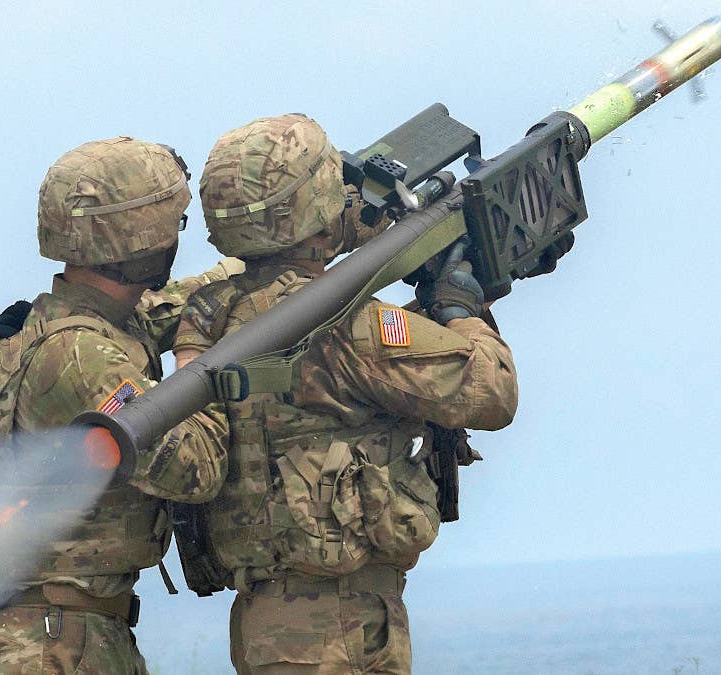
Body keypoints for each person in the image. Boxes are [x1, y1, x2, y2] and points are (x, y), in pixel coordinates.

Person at [172, 114, 520, 674]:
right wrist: (461, 308)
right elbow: (491, 390)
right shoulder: (344, 325)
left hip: (269, 617)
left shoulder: (212, 314)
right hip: (339, 625)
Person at [0, 136, 239, 674]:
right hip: (56, 648)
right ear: (142, 233)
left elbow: (182, 302)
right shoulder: (82, 356)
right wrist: (199, 359)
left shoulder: (84, 324)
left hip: (69, 636)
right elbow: (195, 469)